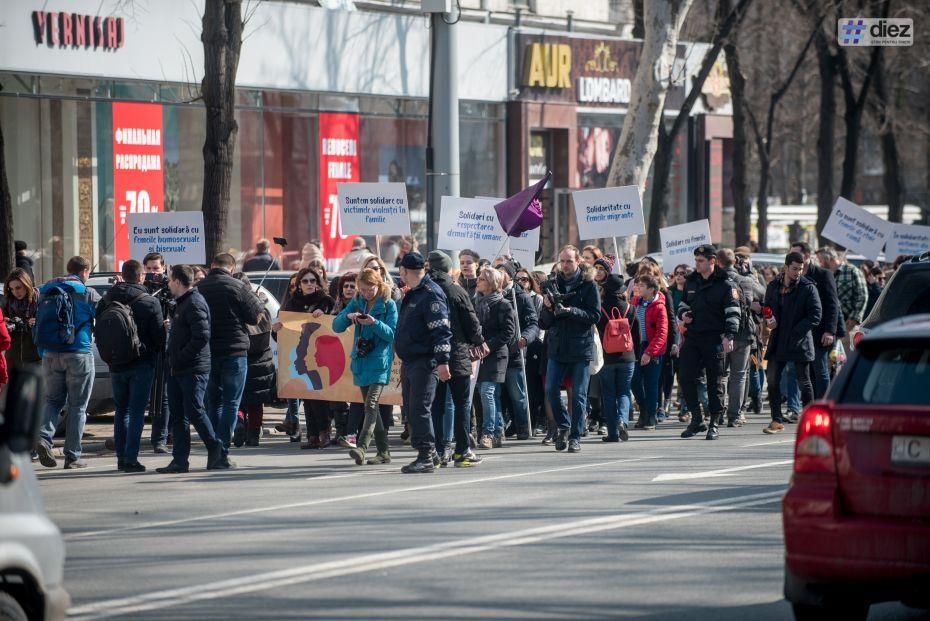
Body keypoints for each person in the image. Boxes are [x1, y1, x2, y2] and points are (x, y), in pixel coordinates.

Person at [95, 260, 165, 472]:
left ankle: (120, 457)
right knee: (136, 412)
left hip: (115, 363)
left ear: (123, 275)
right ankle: (131, 458)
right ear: (141, 276)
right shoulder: (149, 301)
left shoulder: (106, 299)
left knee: (121, 410)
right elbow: (159, 338)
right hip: (142, 362)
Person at [197, 253, 265, 468]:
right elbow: (254, 316)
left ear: (212, 266)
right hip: (234, 352)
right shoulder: (237, 286)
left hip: (208, 352)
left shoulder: (200, 287)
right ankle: (222, 451)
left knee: (212, 402)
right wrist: (257, 301)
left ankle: (213, 450)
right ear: (232, 267)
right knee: (231, 402)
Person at [34, 256, 101, 469]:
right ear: (84, 271)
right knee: (78, 406)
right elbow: (104, 316)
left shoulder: (45, 289)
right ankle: (72, 456)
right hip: (78, 352)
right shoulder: (86, 292)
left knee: (52, 401)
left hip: (50, 354)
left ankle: (43, 438)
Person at [156, 265, 224, 473]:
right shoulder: (182, 303)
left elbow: (201, 337)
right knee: (178, 416)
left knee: (194, 410)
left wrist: (181, 356)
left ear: (177, 281)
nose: (168, 284)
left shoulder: (194, 302)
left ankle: (215, 447)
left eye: (169, 280)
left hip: (193, 368)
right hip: (177, 368)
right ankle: (179, 460)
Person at [393, 252, 452, 473]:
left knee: (420, 409)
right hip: (411, 361)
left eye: (401, 271)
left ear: (404, 271)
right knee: (411, 409)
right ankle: (432, 454)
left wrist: (443, 361)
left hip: (424, 361)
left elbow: (441, 331)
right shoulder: (415, 293)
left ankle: (426, 455)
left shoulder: (430, 294)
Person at [426, 250, 486, 468]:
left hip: (432, 356)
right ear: (449, 269)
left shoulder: (423, 291)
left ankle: (439, 451)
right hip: (457, 353)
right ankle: (462, 451)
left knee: (437, 406)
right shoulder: (456, 290)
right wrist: (478, 341)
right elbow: (471, 322)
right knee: (462, 404)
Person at [539, 245, 600, 453]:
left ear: (578, 262)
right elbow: (543, 323)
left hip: (580, 347)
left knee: (579, 394)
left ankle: (575, 436)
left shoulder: (588, 285)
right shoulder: (552, 284)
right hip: (557, 347)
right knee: (551, 390)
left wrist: (570, 310)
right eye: (562, 261)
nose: (565, 265)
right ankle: (564, 426)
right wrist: (548, 307)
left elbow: (595, 316)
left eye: (569, 261)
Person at [333, 268, 398, 465]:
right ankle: (384, 452)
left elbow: (391, 334)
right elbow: (336, 326)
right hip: (361, 362)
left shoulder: (389, 304)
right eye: (363, 289)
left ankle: (361, 447)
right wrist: (348, 317)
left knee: (370, 405)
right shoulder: (357, 301)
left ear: (378, 285)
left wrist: (374, 322)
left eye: (370, 289)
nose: (367, 293)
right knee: (373, 409)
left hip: (379, 362)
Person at [676, 245, 741, 441]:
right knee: (685, 376)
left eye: (700, 261)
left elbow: (733, 311)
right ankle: (697, 419)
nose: (697, 264)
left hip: (715, 337)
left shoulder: (726, 284)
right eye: (696, 260)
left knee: (715, 382)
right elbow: (683, 304)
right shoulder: (691, 281)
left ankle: (714, 422)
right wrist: (683, 314)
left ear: (712, 261)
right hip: (694, 336)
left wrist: (729, 335)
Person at [272, 265, 336, 448]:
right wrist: (276, 331)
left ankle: (324, 432)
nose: (309, 284)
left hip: (321, 354)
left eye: (312, 281)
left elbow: (334, 322)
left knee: (318, 394)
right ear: (299, 284)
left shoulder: (326, 300)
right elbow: (284, 334)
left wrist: (323, 314)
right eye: (305, 281)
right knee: (306, 395)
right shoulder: (292, 303)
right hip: (300, 354)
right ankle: (313, 436)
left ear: (317, 283)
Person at [762, 252, 822, 434]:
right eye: (794, 269)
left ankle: (810, 420)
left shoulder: (808, 287)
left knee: (804, 381)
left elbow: (815, 315)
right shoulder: (773, 286)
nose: (797, 272)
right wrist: (768, 318)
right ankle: (776, 420)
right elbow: (768, 309)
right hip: (778, 340)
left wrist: (796, 331)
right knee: (772, 379)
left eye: (800, 269)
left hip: (799, 341)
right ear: (786, 267)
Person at [593, 254, 639, 442]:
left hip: (607, 357)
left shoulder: (600, 308)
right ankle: (622, 421)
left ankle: (612, 432)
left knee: (609, 395)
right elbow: (637, 335)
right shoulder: (630, 308)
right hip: (628, 357)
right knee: (624, 391)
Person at [717, 248, 765, 427]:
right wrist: (749, 274)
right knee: (739, 375)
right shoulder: (745, 280)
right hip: (743, 333)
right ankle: (735, 415)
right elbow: (763, 294)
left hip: (720, 332)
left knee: (721, 374)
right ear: (735, 262)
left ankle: (719, 412)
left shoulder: (716, 281)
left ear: (718, 262)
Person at [789, 241, 840, 399]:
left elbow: (833, 305)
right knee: (804, 373)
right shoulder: (790, 275)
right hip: (798, 332)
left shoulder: (824, 275)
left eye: (797, 254)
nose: (793, 257)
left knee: (820, 370)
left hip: (819, 333)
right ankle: (808, 406)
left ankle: (821, 404)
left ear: (807, 255)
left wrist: (830, 330)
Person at [474, 267, 516, 449]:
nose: (477, 280)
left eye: (482, 278)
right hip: (477, 355)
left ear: (491, 283)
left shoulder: (503, 304)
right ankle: (498, 431)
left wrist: (488, 346)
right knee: (488, 395)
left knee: (487, 392)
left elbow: (508, 332)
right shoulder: (475, 302)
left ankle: (488, 433)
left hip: (496, 355)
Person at [231, 273, 275, 447]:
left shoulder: (235, 311)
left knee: (237, 399)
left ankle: (240, 421)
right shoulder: (262, 309)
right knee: (256, 403)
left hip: (240, 358)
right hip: (262, 362)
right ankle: (254, 434)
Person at [498, 261, 539, 440]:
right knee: (496, 395)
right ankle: (498, 429)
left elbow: (533, 324)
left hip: (515, 353)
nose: (498, 275)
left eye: (502, 272)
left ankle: (523, 426)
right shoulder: (491, 293)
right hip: (496, 353)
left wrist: (524, 339)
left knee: (517, 395)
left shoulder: (520, 296)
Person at [630, 274, 668, 430]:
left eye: (642, 286)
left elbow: (662, 333)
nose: (638, 288)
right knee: (634, 381)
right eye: (637, 285)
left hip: (652, 350)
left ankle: (651, 416)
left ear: (651, 290)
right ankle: (644, 409)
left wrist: (650, 353)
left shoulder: (659, 306)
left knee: (651, 384)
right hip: (636, 348)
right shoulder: (634, 302)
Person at [142, 251, 171, 453]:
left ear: (164, 268)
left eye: (156, 269)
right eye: (150, 269)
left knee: (163, 397)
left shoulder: (170, 288)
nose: (153, 273)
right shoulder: (141, 290)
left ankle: (160, 439)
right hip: (142, 348)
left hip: (164, 348)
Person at [816, 246, 867, 349]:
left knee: (847, 356)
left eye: (821, 260)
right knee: (834, 359)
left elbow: (862, 295)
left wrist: (854, 318)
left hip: (849, 323)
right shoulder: (824, 275)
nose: (820, 264)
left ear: (829, 259)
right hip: (832, 324)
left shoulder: (852, 271)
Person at [3, 269, 41, 370]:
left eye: (18, 288)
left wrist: (36, 323)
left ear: (26, 285)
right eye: (11, 289)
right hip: (12, 356)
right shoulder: (7, 302)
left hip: (34, 356)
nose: (15, 292)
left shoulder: (39, 300)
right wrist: (5, 324)